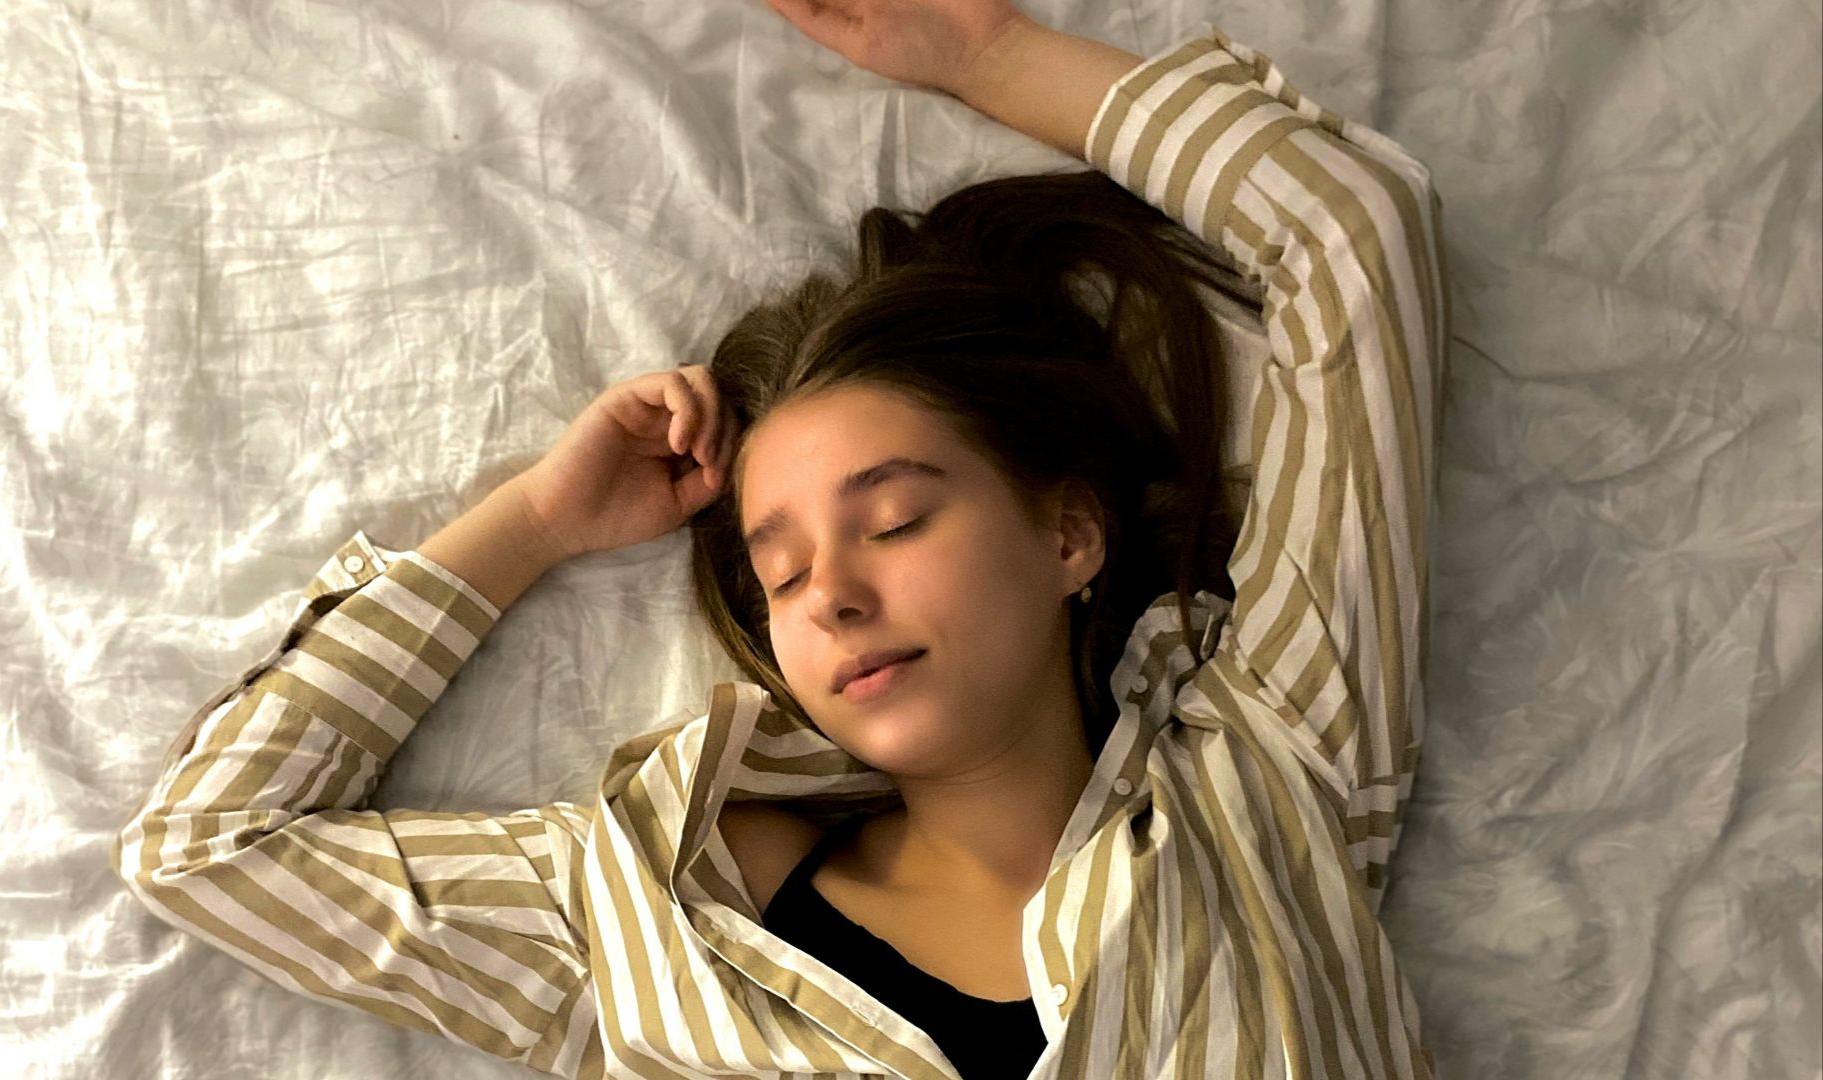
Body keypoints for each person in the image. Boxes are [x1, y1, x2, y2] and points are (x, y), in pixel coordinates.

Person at [109, 0, 1449, 1075]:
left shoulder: (1275, 761)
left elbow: (1353, 237)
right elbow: (214, 845)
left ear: (1070, 533)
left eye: (896, 520)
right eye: (783, 574)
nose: (834, 600)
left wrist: (987, 51)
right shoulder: (648, 918)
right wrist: (535, 524)